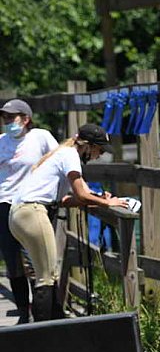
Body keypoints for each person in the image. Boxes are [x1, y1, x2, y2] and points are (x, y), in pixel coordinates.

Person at [9, 123, 127, 321]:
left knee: (46, 274)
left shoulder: (62, 153)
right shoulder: (71, 155)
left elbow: (65, 200)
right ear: (87, 145)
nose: (99, 155)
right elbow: (82, 193)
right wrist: (107, 202)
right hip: (32, 212)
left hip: (20, 215)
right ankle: (43, 334)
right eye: (99, 150)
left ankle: (57, 323)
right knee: (46, 277)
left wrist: (97, 199)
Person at [0, 99, 59, 324]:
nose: (6, 121)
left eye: (11, 117)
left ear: (25, 119)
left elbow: (59, 161)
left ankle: (46, 312)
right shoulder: (1, 142)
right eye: (4, 117)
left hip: (31, 204)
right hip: (4, 205)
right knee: (13, 262)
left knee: (39, 262)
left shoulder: (40, 137)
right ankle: (23, 313)